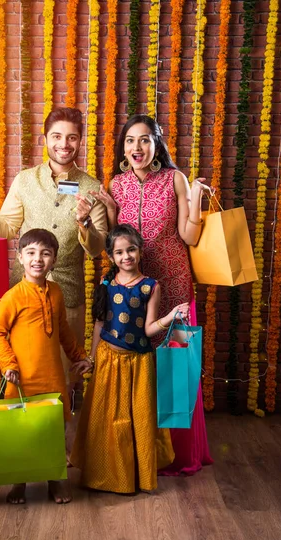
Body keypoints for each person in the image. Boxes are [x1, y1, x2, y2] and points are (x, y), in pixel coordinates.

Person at [88, 115, 213, 476]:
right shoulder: (117, 184)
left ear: (157, 144)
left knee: (176, 368)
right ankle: (141, 452)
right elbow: (116, 242)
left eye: (144, 140)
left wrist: (195, 200)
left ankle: (180, 455)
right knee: (139, 366)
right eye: (130, 141)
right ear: (122, 148)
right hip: (131, 291)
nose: (137, 148)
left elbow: (188, 238)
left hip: (173, 284)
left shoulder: (174, 179)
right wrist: (110, 212)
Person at [0, 107, 108, 389]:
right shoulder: (25, 180)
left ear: (80, 141)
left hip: (67, 295)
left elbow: (97, 249)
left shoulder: (92, 187)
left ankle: (59, 428)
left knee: (63, 373)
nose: (64, 144)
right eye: (57, 136)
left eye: (72, 138)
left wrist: (84, 222)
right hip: (21, 293)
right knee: (22, 369)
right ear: (45, 139)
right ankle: (22, 429)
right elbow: (7, 227)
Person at [71, 224, 190, 493]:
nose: (126, 257)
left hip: (139, 362)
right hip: (108, 359)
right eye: (120, 252)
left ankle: (135, 476)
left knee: (137, 418)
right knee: (105, 418)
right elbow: (100, 325)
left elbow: (148, 329)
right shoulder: (106, 283)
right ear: (112, 257)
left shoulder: (150, 287)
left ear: (140, 251)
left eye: (131, 250)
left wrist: (170, 318)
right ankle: (101, 473)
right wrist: (92, 358)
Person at [0, 229, 93, 505]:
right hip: (21, 379)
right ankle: (18, 484)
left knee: (54, 430)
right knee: (21, 432)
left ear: (54, 260)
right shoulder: (12, 296)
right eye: (32, 253)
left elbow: (63, 331)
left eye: (46, 254)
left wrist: (78, 356)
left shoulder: (57, 292)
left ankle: (56, 481)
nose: (38, 259)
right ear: (20, 257)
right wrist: (8, 364)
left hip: (52, 379)